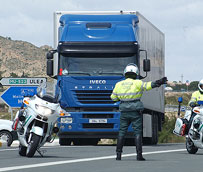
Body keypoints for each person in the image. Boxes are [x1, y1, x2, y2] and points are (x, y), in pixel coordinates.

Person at [110, 63, 167, 161]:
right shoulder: (138, 83)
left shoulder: (118, 84)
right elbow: (148, 86)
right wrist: (159, 82)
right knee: (137, 132)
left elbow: (113, 98)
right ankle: (139, 155)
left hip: (124, 111)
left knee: (122, 132)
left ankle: (118, 155)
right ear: (136, 73)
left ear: (125, 73)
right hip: (135, 111)